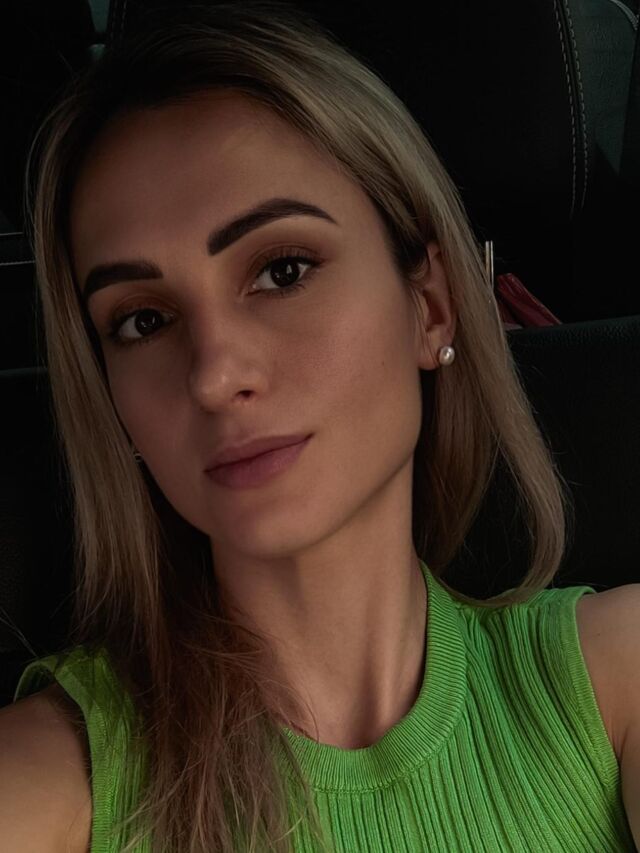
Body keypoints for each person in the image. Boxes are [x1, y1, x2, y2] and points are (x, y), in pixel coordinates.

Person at [0, 2, 637, 851]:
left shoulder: (619, 676)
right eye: (142, 321)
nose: (214, 374)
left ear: (430, 306)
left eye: (283, 270)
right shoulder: (52, 777)